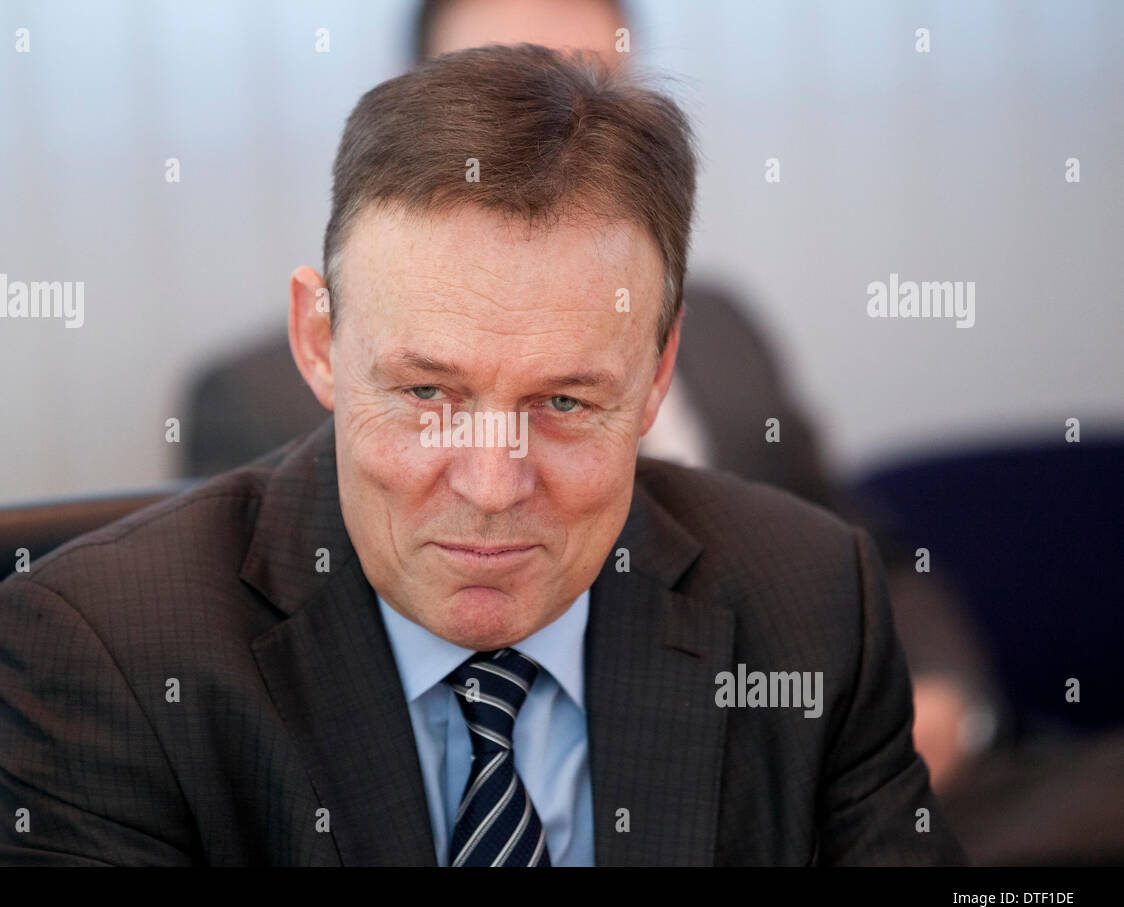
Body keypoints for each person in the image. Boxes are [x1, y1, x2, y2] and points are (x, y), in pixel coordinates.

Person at [0, 45, 965, 866]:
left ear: (657, 375)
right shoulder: (110, 650)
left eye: (565, 401)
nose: (492, 487)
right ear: (319, 342)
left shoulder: (808, 599)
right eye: (426, 393)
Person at [181, 0, 1000, 803]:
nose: (557, 125)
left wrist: (945, 703)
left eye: (595, 87)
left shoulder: (723, 335)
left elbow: (861, 553)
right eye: (427, 392)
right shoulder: (256, 399)